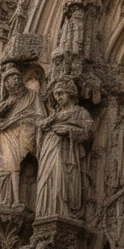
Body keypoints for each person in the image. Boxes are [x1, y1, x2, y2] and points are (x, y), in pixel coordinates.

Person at [35, 80, 93, 217]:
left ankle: (63, 211)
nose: (58, 97)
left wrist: (68, 131)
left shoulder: (80, 112)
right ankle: (47, 210)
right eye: (56, 94)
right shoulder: (53, 116)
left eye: (61, 93)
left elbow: (89, 133)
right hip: (49, 149)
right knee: (47, 180)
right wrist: (42, 128)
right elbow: (40, 130)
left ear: (70, 92)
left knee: (61, 178)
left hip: (67, 151)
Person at [0, 65, 42, 206]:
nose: (12, 81)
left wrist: (28, 120)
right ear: (6, 85)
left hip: (25, 133)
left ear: (20, 80)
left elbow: (40, 116)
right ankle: (8, 200)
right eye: (9, 80)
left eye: (15, 77)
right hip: (6, 135)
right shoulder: (5, 103)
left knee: (20, 165)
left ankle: (19, 200)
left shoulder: (32, 95)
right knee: (8, 167)